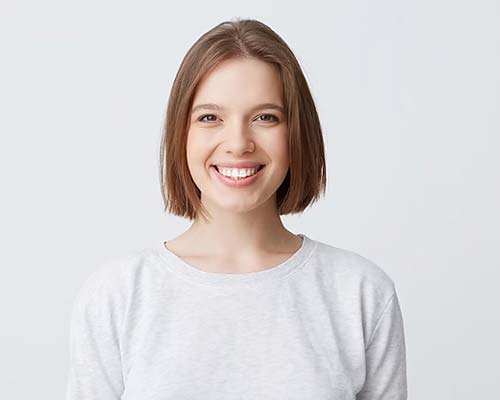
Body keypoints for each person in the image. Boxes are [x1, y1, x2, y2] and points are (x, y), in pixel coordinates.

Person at [65, 18, 408, 400]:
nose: (238, 143)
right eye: (210, 117)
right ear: (181, 132)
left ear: (297, 132)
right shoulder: (118, 294)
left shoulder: (359, 292)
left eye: (265, 117)